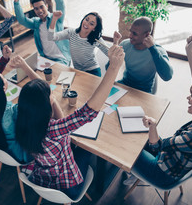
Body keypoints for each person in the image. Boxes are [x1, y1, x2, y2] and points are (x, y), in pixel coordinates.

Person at [15, 44, 125, 199]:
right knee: (89, 147)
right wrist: (113, 68)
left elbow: (41, 92)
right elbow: (88, 112)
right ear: (44, 105)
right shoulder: (53, 129)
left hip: (41, 177)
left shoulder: (23, 120)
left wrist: (50, 98)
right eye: (49, 96)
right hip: (68, 186)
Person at [124, 34, 192, 186]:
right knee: (136, 135)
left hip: (160, 172)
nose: (188, 98)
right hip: (174, 162)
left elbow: (158, 147)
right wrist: (189, 50)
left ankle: (133, 171)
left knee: (125, 144)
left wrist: (153, 126)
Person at [12, 0, 71, 65]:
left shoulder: (56, 18)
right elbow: (21, 19)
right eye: (36, 9)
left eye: (41, 7)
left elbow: (60, 3)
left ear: (46, 6)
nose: (39, 11)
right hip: (45, 58)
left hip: (61, 58)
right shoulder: (36, 23)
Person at [49, 11, 121, 77]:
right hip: (77, 71)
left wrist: (115, 42)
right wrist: (54, 19)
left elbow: (112, 55)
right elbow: (50, 37)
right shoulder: (71, 32)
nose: (87, 23)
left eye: (91, 24)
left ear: (94, 28)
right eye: (86, 19)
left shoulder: (96, 39)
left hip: (93, 71)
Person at [117, 16, 173, 93]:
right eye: (131, 31)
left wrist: (152, 49)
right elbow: (108, 68)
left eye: (134, 34)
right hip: (125, 84)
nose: (130, 36)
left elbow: (167, 76)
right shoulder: (125, 44)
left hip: (144, 91)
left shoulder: (158, 50)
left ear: (146, 35)